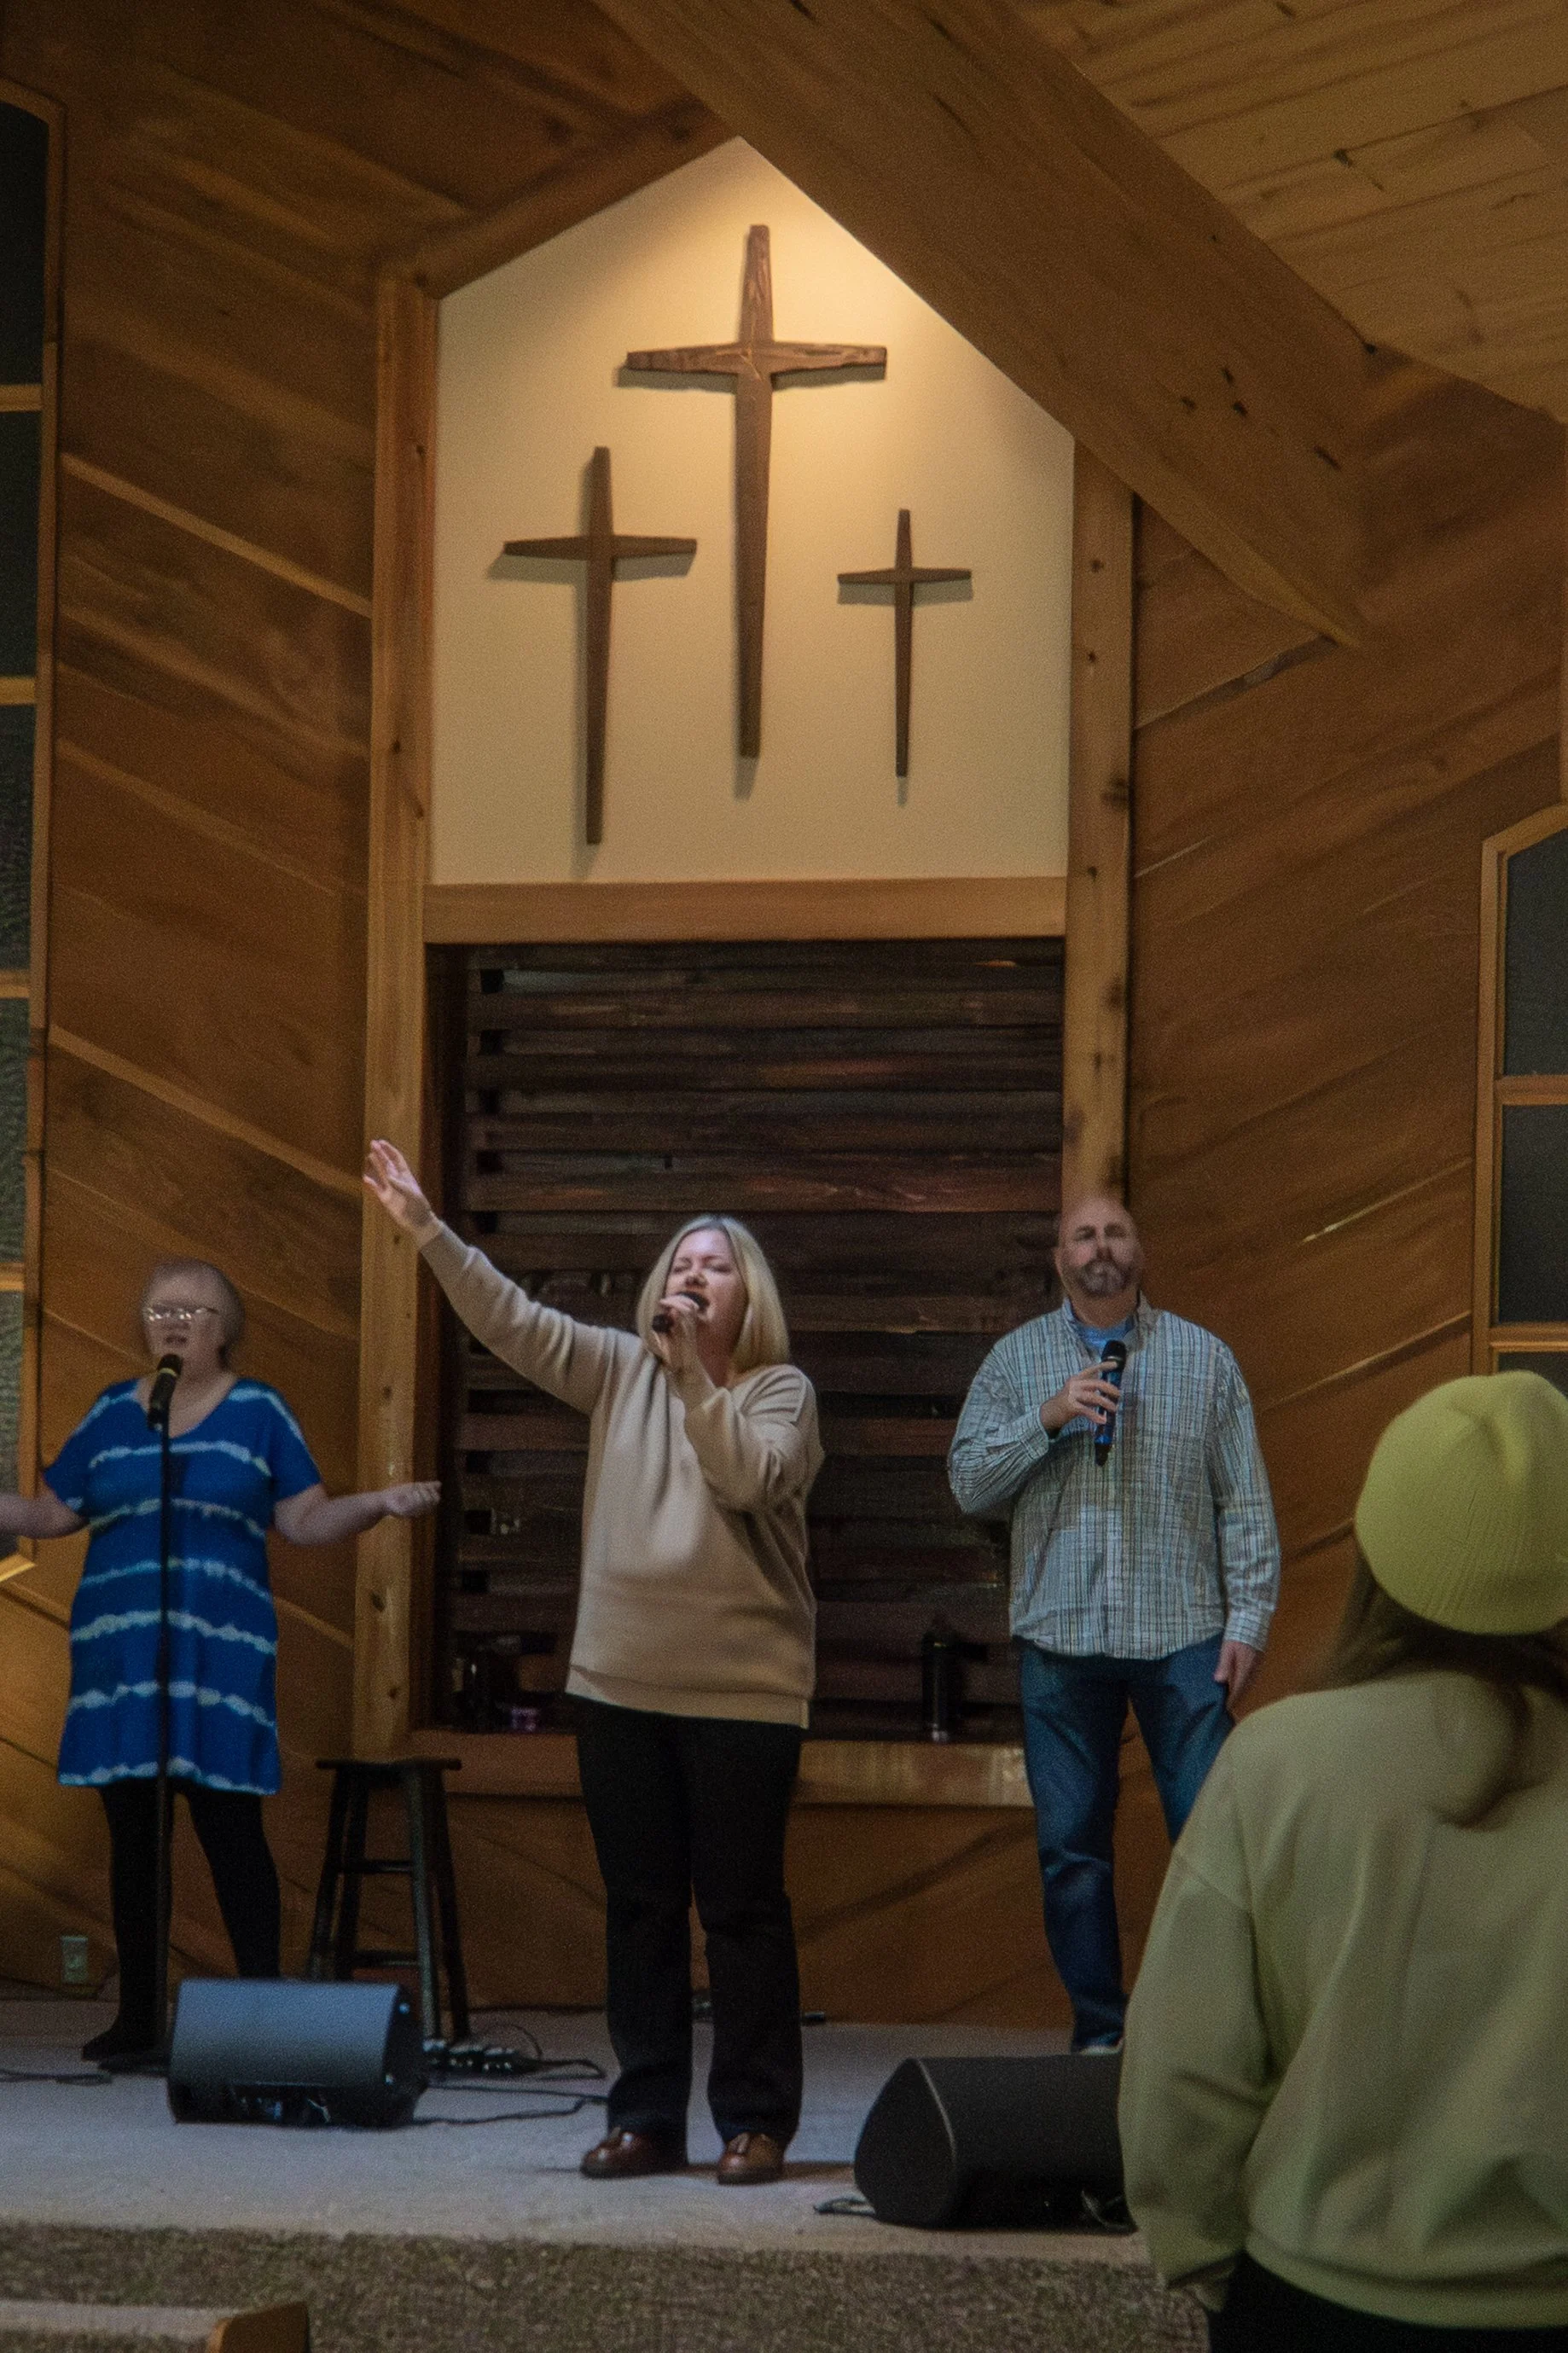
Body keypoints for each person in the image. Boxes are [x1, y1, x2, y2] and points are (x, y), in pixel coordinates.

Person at [363, 1137, 822, 2186]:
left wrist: (699, 1379)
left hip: (745, 1693)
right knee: (640, 1908)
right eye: (680, 1264)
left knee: (742, 1912)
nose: (691, 1275)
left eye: (713, 1265)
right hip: (617, 1685)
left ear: (748, 1294)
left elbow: (746, 1482)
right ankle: (649, 2118)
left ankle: (756, 2121)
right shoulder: (617, 1370)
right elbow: (511, 1322)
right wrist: (431, 1233)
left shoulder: (780, 1392)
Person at [1120, 1372, 1568, 2350]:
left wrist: (1202, 2255)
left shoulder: (1276, 1761)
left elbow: (1181, 2078)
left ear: (1376, 1554)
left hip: (1314, 2295)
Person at [0, 1258, 438, 2064]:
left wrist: (378, 1502)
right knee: (134, 1835)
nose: (174, 1322)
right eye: (161, 1309)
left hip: (220, 1660)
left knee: (229, 1824)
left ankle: (257, 2014)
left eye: (196, 1312)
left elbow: (303, 1521)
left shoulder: (260, 1411)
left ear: (227, 1329)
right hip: (122, 1659)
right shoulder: (110, 1411)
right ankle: (138, 2020)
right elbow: (52, 1512)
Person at [948, 1193, 1279, 2051]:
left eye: (1115, 1231)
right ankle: (1100, 2032)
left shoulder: (1204, 1360)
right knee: (1069, 1852)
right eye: (1082, 1235)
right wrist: (1048, 1417)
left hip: (1184, 1637)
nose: (1100, 1246)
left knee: (1214, 1849)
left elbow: (1242, 1501)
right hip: (1059, 1639)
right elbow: (967, 1484)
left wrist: (1247, 1618)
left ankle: (1211, 2032)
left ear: (1141, 1250)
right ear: (1058, 1259)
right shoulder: (1015, 1361)